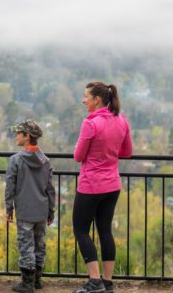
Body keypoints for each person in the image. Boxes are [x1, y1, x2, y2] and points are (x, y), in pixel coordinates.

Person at [72, 82, 132, 293]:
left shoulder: (91, 123)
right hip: (112, 184)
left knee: (81, 230)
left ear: (97, 99)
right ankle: (107, 282)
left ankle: (94, 281)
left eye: (86, 96)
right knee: (105, 231)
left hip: (90, 185)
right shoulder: (121, 120)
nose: (83, 100)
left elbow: (78, 156)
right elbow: (126, 152)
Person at [5, 120, 56, 293]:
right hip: (41, 211)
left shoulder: (15, 160)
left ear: (27, 137)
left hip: (25, 211)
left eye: (18, 133)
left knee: (26, 246)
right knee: (39, 244)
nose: (16, 135)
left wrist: (9, 208)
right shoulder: (46, 161)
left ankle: (26, 284)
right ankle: (37, 281)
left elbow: (10, 187)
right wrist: (51, 210)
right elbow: (50, 188)